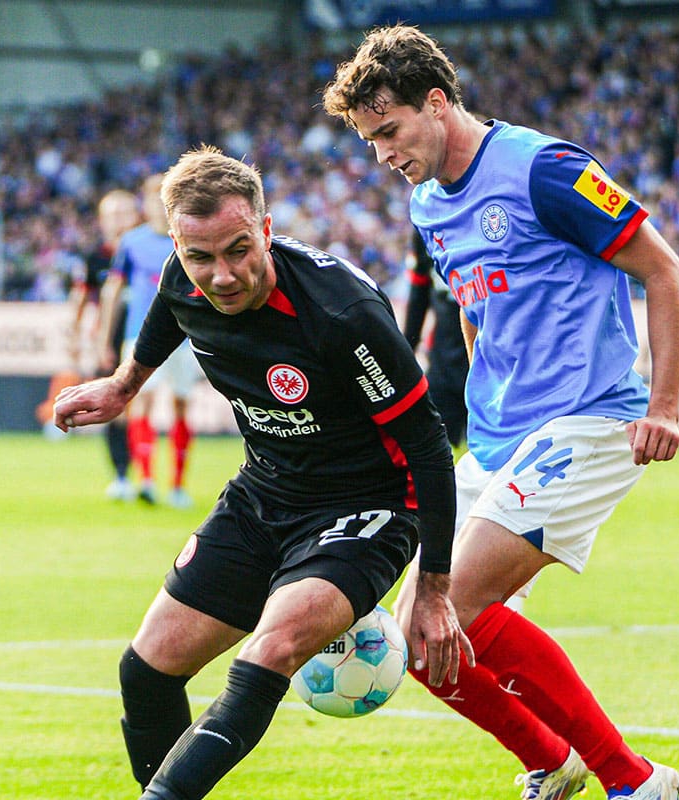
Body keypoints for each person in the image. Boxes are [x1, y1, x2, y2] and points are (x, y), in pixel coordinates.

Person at [324, 25, 679, 800]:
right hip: (499, 435)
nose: (383, 155)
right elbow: (471, 308)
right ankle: (552, 762)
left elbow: (667, 273)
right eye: (368, 142)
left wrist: (664, 404)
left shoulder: (545, 170)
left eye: (388, 131)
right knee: (421, 641)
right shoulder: (428, 203)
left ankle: (634, 783)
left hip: (590, 418)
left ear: (436, 101)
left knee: (453, 603)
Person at [53, 146, 472, 800]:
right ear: (177, 246)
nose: (222, 275)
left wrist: (434, 587)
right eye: (201, 257)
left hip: (364, 510)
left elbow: (427, 442)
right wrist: (125, 383)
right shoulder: (182, 277)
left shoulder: (340, 314)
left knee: (268, 651)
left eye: (239, 250)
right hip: (265, 494)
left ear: (267, 230)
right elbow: (170, 306)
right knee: (146, 669)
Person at [98, 174, 204, 507]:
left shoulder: (188, 239)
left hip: (184, 337)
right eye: (152, 197)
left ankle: (177, 485)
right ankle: (145, 479)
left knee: (180, 404)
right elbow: (113, 289)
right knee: (139, 401)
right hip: (138, 335)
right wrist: (104, 337)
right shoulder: (131, 242)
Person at [68, 189, 141, 497]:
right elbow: (81, 297)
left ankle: (149, 476)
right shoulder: (95, 256)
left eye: (123, 213)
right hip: (110, 341)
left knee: (143, 410)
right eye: (111, 214)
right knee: (117, 408)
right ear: (101, 220)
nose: (118, 220)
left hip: (144, 339)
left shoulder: (147, 250)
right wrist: (75, 333)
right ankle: (123, 475)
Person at [401, 229, 468, 449]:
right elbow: (419, 293)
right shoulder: (423, 220)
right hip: (443, 362)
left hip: (493, 361)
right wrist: (405, 351)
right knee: (438, 448)